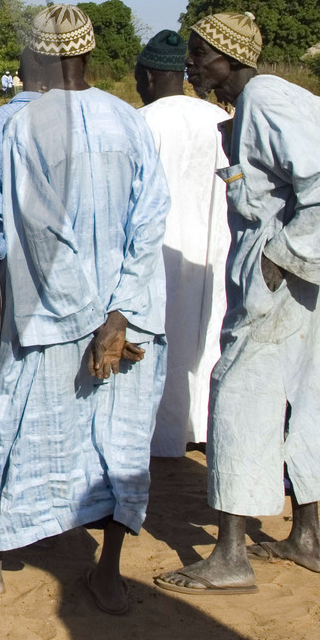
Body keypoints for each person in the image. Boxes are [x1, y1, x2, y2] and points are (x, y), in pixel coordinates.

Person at [0, 5, 170, 615]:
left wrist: (88, 317)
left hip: (51, 321)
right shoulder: (129, 122)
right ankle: (107, 577)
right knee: (118, 442)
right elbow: (151, 219)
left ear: (35, 58)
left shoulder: (6, 129)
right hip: (126, 325)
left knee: (22, 430)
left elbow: (15, 227)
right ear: (86, 55)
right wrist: (119, 313)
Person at [158, 12, 320, 597]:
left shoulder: (262, 98)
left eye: (199, 54)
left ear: (229, 59)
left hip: (277, 274)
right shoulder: (275, 96)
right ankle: (307, 538)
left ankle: (231, 554)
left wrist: (290, 250)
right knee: (306, 393)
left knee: (237, 395)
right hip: (305, 276)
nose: (191, 63)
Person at [134, 30, 231, 457]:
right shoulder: (218, 120)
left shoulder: (141, 123)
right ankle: (204, 426)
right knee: (207, 334)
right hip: (214, 248)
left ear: (151, 76)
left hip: (159, 253)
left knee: (161, 336)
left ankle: (164, 433)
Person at [0, 48, 46, 267]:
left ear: (19, 76)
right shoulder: (61, 119)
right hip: (53, 248)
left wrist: (16, 218)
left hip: (9, 247)